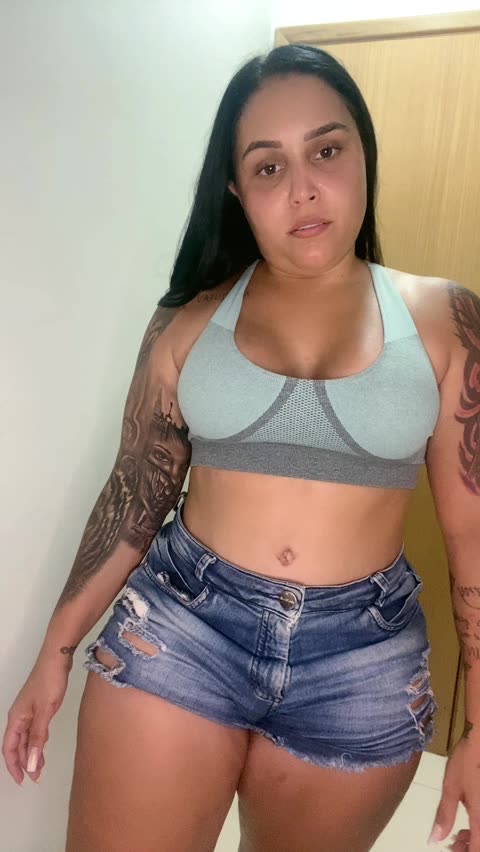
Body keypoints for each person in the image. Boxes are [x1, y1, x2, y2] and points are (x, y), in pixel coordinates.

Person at [3, 43, 479, 852]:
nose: (303, 189)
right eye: (267, 166)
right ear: (235, 187)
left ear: (363, 152)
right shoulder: (189, 321)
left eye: (326, 151)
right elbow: (134, 494)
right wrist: (56, 647)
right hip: (184, 627)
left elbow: (472, 537)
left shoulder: (445, 321)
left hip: (360, 661)